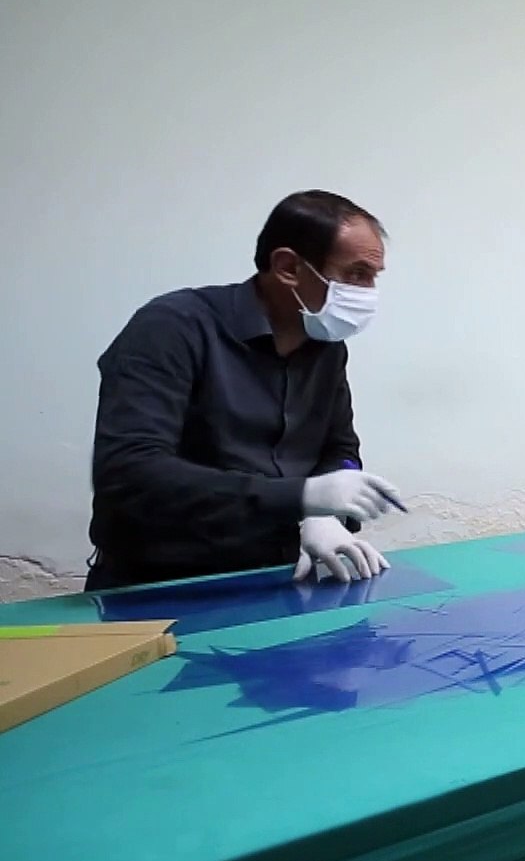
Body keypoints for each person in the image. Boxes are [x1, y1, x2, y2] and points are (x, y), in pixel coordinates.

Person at [87, 191, 406, 591]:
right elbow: (131, 475)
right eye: (357, 273)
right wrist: (301, 496)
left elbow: (340, 449)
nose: (368, 291)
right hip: (160, 586)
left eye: (374, 276)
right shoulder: (173, 328)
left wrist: (324, 514)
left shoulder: (326, 347)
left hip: (280, 578)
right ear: (288, 267)